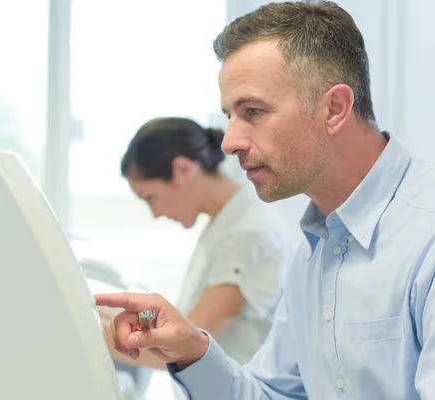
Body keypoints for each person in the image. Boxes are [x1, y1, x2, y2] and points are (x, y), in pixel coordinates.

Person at [96, 1, 435, 399]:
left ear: (334, 108)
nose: (230, 142)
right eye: (230, 115)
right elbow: (272, 394)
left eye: (253, 111)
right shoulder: (312, 258)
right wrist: (193, 351)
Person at [98, 117, 295, 373]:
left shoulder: (247, 234)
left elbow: (180, 346)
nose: (155, 213)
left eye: (150, 197)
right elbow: (183, 325)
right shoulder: (226, 225)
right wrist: (100, 315)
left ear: (183, 169)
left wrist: (83, 327)